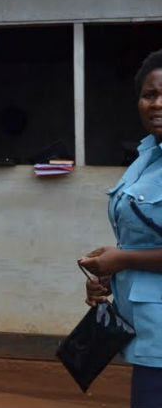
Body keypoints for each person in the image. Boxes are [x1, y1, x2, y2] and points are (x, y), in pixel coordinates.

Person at [80, 48, 162, 408]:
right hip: (144, 330)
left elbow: (130, 252)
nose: (158, 103)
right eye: (150, 94)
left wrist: (122, 259)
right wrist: (108, 274)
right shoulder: (146, 156)